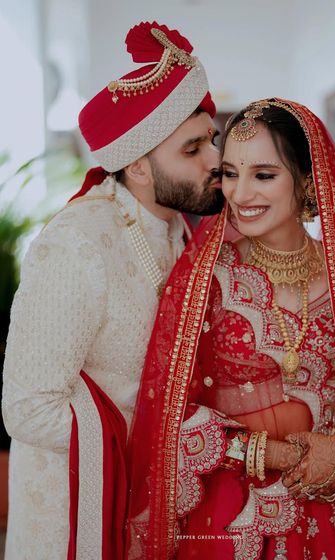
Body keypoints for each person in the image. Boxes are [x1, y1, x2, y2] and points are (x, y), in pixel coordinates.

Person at [125, 98, 335, 559]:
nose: (240, 194)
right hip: (227, 516)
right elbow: (166, 414)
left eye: (263, 175)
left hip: (334, 507)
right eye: (229, 173)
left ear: (307, 180)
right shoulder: (203, 281)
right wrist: (273, 454)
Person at [1, 21, 223, 559]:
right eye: (192, 149)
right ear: (140, 167)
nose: (215, 160)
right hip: (76, 522)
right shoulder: (77, 245)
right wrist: (163, 433)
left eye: (210, 141)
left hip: (159, 508)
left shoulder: (181, 227)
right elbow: (27, 408)